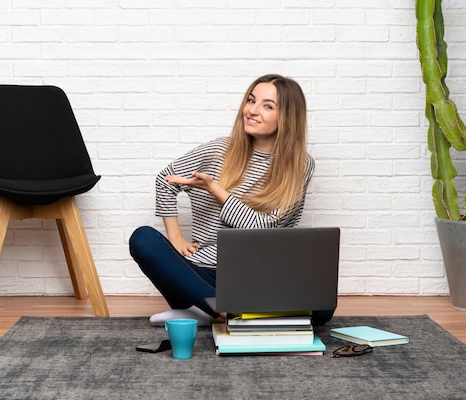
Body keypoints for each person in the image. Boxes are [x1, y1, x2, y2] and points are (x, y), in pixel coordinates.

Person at [129, 74, 333, 327]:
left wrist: (217, 190)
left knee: (323, 308)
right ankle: (226, 312)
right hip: (200, 274)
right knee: (143, 239)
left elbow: (262, 231)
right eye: (251, 100)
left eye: (267, 106)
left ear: (287, 117)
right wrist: (176, 238)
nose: (253, 111)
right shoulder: (218, 150)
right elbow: (165, 180)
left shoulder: (300, 165)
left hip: (257, 276)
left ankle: (204, 312)